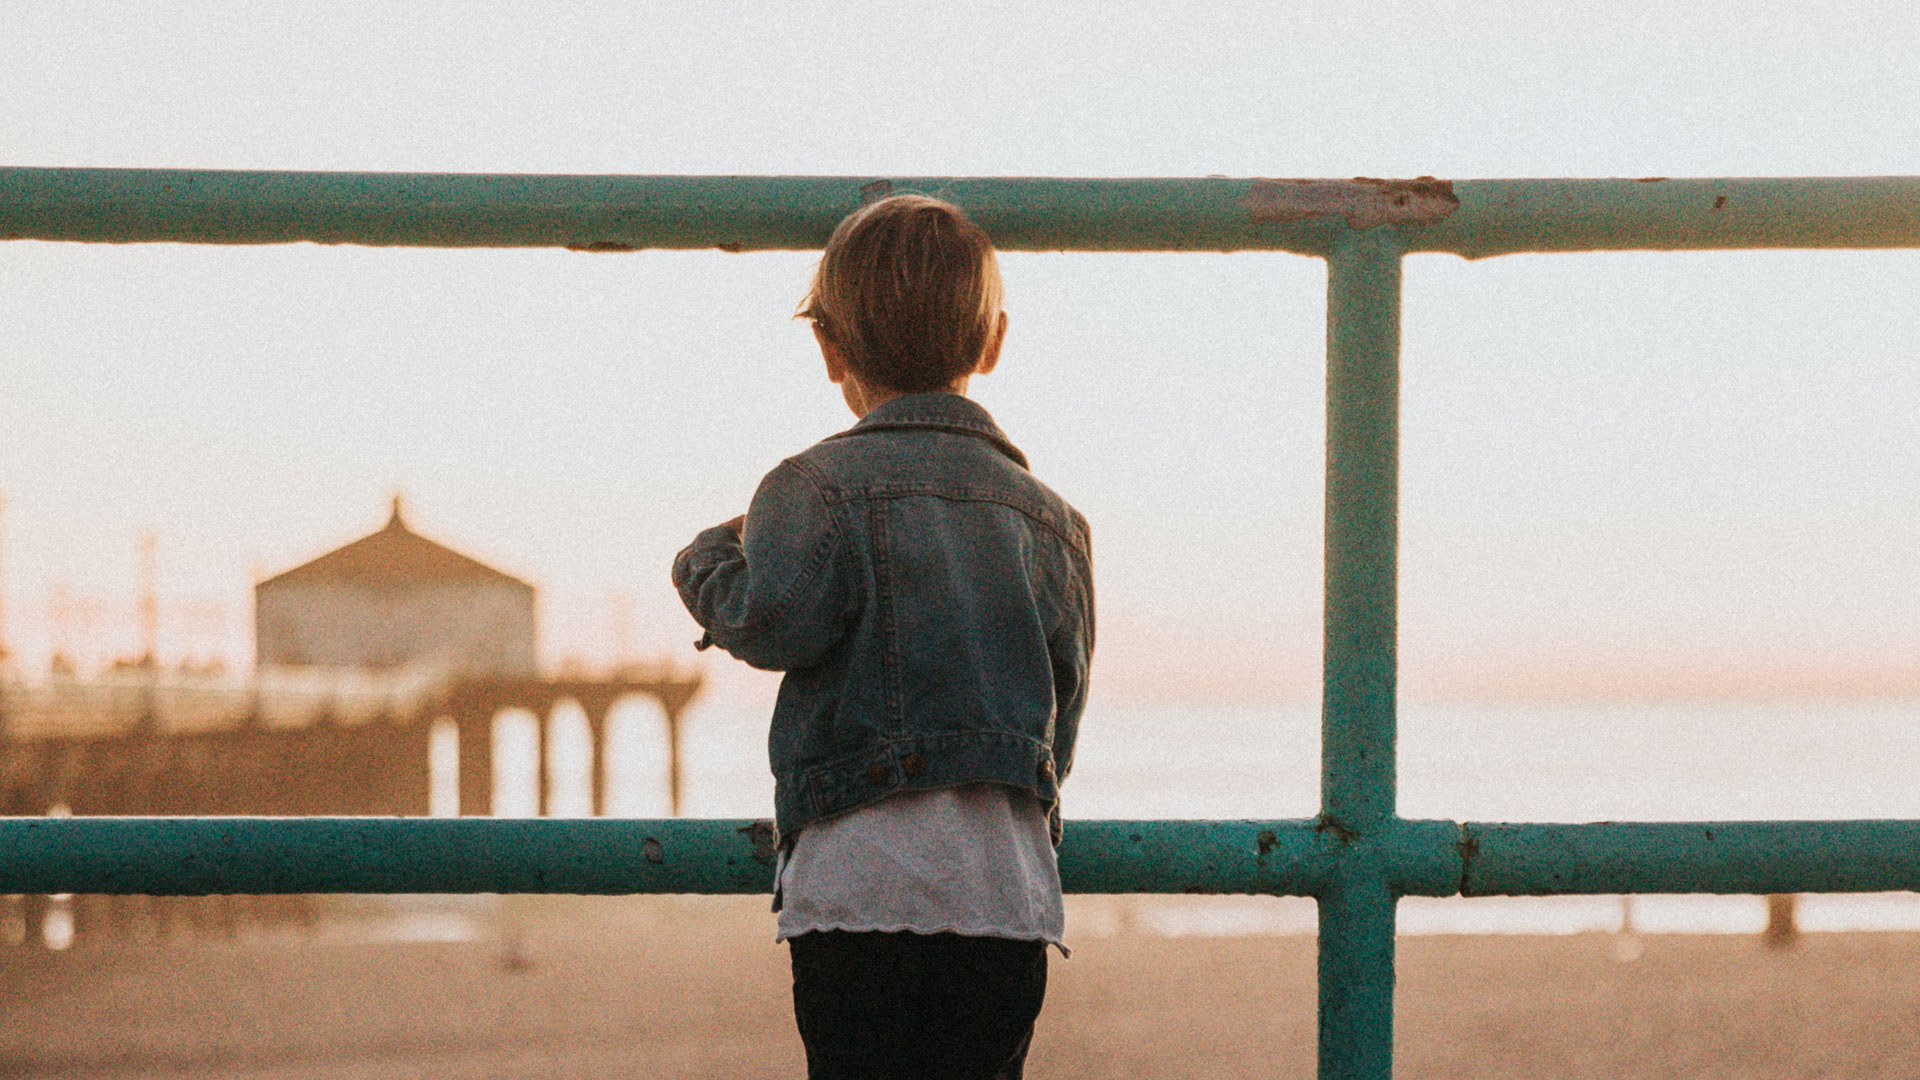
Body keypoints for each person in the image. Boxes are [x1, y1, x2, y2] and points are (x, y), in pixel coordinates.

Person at [672, 193, 1094, 1080]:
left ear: (830, 349)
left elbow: (768, 619)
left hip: (856, 892)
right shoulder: (1053, 522)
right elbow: (1063, 709)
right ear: (992, 342)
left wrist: (710, 554)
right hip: (1002, 895)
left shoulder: (813, 488)